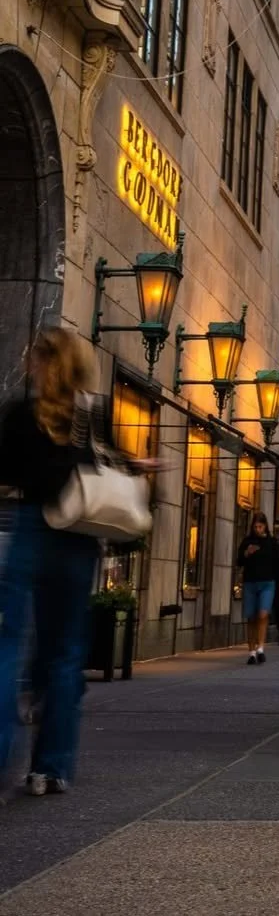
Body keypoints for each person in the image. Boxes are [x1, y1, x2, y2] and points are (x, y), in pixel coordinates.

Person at [0, 329, 152, 796]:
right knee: (66, 653)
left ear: (43, 363)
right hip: (78, 537)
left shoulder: (20, 414)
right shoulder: (93, 413)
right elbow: (108, 467)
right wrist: (137, 467)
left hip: (31, 527)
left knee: (7, 645)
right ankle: (51, 767)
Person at [236, 513, 279, 665]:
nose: (258, 529)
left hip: (267, 583)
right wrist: (246, 553)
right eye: (255, 526)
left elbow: (278, 564)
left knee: (263, 614)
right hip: (250, 582)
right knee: (251, 617)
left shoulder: (271, 542)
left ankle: (261, 648)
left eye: (260, 526)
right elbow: (239, 561)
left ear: (265, 526)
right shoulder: (247, 541)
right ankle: (251, 652)